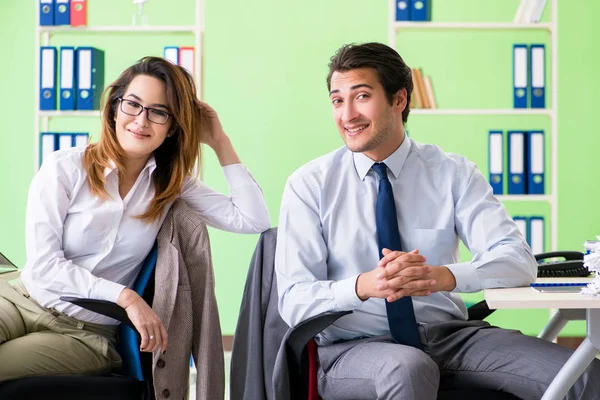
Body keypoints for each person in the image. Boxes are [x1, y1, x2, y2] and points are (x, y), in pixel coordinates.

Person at [275, 42, 600, 399]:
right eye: (338, 100)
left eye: (362, 96)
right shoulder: (310, 185)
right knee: (409, 368)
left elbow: (517, 261)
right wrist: (364, 285)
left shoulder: (453, 173)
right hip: (353, 349)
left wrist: (443, 276)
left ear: (399, 100)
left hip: (449, 337)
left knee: (585, 376)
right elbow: (293, 299)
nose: (347, 114)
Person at [0, 56, 270, 381]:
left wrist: (219, 141)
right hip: (19, 299)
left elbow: (252, 219)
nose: (141, 120)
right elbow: (44, 265)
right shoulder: (65, 168)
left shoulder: (171, 184)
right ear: (115, 108)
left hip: (83, 333)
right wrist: (126, 297)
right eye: (133, 104)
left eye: (158, 112)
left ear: (172, 128)